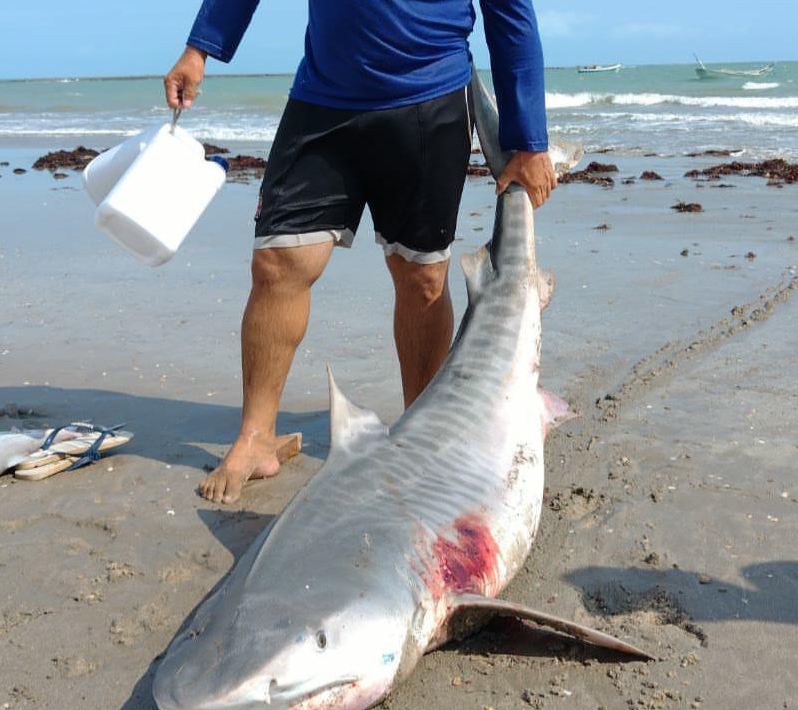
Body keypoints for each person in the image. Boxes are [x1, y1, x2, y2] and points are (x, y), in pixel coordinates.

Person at [165, 0, 557, 504]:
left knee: (421, 278)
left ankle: (421, 434)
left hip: (429, 97)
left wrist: (528, 140)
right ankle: (257, 437)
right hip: (323, 99)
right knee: (277, 262)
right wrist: (199, 50)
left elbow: (510, 12)